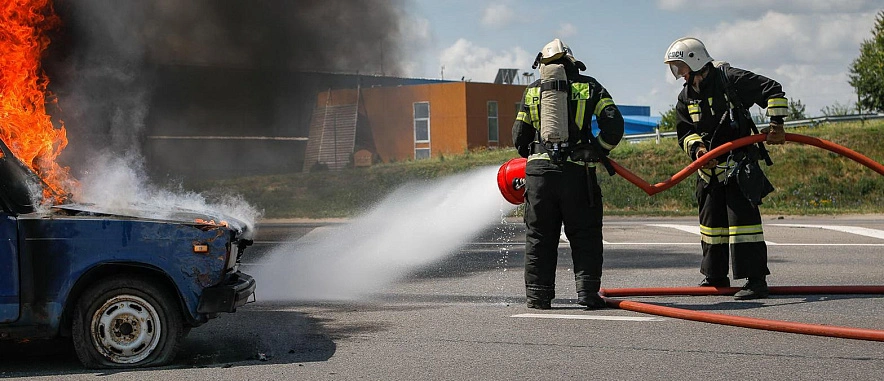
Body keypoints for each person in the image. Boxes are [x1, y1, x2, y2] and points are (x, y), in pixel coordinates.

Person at [663, 37, 788, 300]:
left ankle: (756, 281)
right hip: (708, 172)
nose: (681, 76)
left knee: (744, 226)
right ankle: (715, 277)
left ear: (695, 62)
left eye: (681, 69)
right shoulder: (686, 96)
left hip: (738, 164)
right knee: (711, 226)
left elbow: (773, 89)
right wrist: (698, 151)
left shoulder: (730, 79)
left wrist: (776, 124)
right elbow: (684, 132)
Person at [512, 38, 624, 310]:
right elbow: (614, 124)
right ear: (572, 63)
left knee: (539, 236)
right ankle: (587, 293)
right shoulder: (590, 86)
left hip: (540, 178)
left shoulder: (532, 91)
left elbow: (518, 138)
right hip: (578, 174)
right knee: (584, 234)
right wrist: (596, 150)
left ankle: (538, 296)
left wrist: (539, 160)